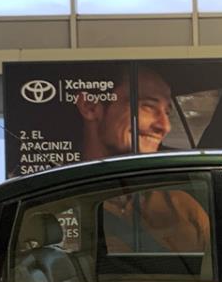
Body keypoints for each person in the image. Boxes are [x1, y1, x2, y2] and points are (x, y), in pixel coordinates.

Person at [74, 67, 209, 253]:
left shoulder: (184, 208)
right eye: (148, 107)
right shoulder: (62, 202)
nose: (165, 126)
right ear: (90, 106)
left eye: (167, 113)